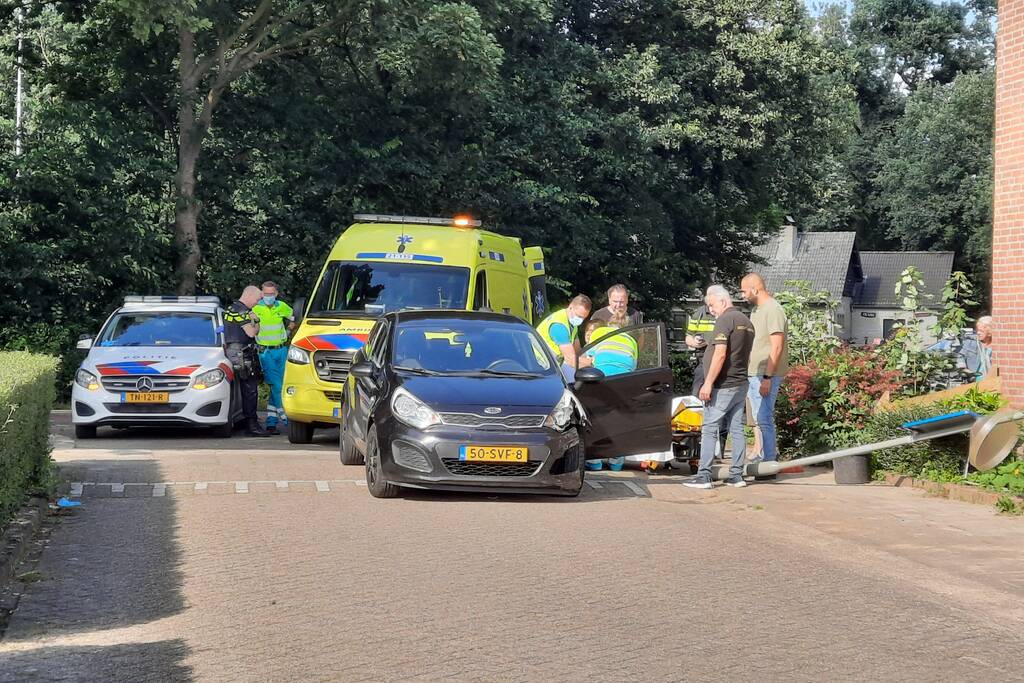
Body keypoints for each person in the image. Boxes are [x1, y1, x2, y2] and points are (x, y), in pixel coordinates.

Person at [683, 285, 754, 489]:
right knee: (736, 428)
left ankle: (703, 475)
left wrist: (708, 383)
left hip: (723, 384)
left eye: (712, 305)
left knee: (709, 428)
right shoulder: (746, 321)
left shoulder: (725, 320)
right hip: (741, 382)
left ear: (722, 301)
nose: (711, 310)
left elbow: (720, 354)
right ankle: (736, 475)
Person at [739, 272, 788, 464]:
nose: (742, 295)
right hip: (754, 373)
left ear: (754, 288)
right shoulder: (756, 310)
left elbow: (777, 346)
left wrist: (767, 377)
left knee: (764, 418)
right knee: (759, 419)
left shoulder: (773, 309)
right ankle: (763, 456)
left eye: (744, 291)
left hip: (765, 374)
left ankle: (769, 461)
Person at [581, 316, 637, 472]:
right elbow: (634, 365)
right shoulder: (631, 340)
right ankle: (616, 462)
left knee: (597, 419)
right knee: (618, 422)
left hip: (602, 378)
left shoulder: (600, 333)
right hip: (624, 381)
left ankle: (595, 462)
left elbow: (587, 358)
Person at [224, 286, 270, 437]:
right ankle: (252, 425)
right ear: (249, 295)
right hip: (243, 354)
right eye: (257, 299)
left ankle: (241, 420)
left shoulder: (231, 308)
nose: (257, 303)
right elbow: (251, 332)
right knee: (250, 390)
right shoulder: (243, 311)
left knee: (238, 388)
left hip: (232, 352)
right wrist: (256, 321)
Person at [252, 281, 296, 435]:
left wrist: (288, 331)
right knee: (277, 385)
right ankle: (287, 419)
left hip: (281, 350)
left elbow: (293, 317)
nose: (268, 297)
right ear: (261, 293)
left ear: (276, 294)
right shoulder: (256, 309)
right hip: (265, 352)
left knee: (276, 386)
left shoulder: (282, 306)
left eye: (271, 294)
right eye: (266, 294)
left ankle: (271, 423)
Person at [537, 294, 594, 380]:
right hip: (539, 366)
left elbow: (578, 351)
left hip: (549, 365)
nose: (580, 320)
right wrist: (593, 362)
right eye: (579, 316)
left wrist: (586, 359)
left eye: (583, 318)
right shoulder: (559, 326)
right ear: (571, 307)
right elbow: (570, 360)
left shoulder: (572, 322)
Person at [684, 302, 716, 396]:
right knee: (697, 392)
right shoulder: (699, 313)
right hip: (703, 358)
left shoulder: (726, 314)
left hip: (720, 358)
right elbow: (688, 338)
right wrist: (698, 343)